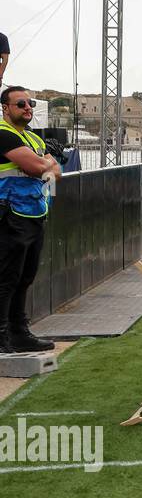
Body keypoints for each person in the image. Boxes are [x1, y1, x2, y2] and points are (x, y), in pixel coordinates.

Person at [0, 85, 58, 353]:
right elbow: (38, 167)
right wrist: (45, 163)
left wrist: (45, 164)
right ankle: (2, 337)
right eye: (21, 104)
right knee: (7, 278)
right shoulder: (4, 135)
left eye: (30, 104)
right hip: (10, 216)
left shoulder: (33, 139)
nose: (27, 108)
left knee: (25, 276)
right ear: (6, 108)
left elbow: (55, 171)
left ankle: (19, 332)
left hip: (34, 214)